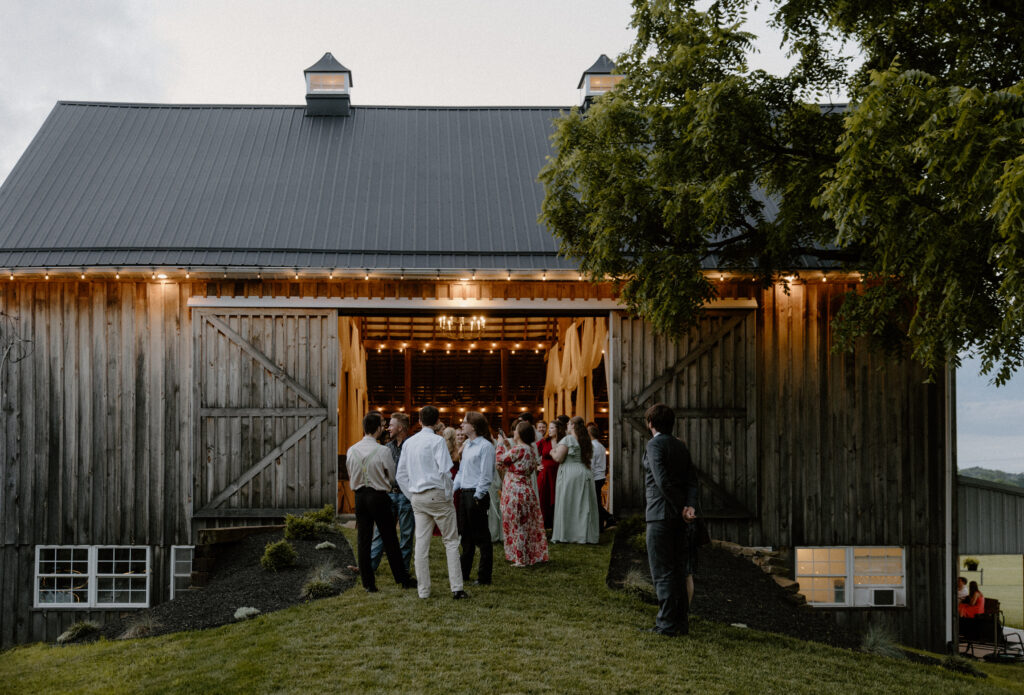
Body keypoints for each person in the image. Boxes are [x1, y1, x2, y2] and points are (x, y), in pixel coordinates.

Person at [396, 406, 467, 600]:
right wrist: (447, 494)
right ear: (436, 422)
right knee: (451, 541)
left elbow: (400, 475)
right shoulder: (437, 441)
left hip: (417, 496)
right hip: (437, 494)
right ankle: (457, 588)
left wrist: (411, 495)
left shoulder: (409, 443)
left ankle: (424, 591)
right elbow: (445, 471)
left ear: (419, 420)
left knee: (421, 543)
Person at [643, 403, 699, 636]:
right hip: (679, 517)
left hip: (660, 514)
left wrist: (680, 506)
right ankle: (680, 623)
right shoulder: (680, 446)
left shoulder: (655, 445)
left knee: (662, 571)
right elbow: (692, 481)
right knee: (677, 570)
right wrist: (689, 506)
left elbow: (662, 480)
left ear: (650, 423)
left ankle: (666, 624)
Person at [345, 412, 417, 592]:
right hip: (379, 496)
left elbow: (350, 473)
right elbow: (393, 477)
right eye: (383, 424)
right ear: (377, 428)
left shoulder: (351, 450)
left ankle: (368, 584)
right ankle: (402, 579)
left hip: (360, 496)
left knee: (363, 539)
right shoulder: (383, 450)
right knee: (390, 538)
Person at [495, 421, 549, 566]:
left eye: (516, 430)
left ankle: (520, 558)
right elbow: (513, 461)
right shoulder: (530, 449)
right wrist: (507, 445)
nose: (514, 432)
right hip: (525, 488)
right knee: (524, 524)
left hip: (515, 490)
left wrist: (500, 444)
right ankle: (526, 555)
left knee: (516, 524)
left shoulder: (519, 449)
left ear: (520, 433)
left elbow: (501, 459)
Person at [369, 413, 414, 576]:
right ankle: (370, 567)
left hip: (406, 496)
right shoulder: (387, 447)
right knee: (380, 531)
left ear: (400, 427)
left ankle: (403, 570)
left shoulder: (412, 446)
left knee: (406, 534)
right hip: (389, 494)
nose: (388, 428)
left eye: (392, 425)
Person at [453, 411, 496, 585]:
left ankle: (484, 576)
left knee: (482, 538)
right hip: (464, 493)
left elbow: (486, 475)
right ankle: (464, 573)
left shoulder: (485, 447)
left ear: (474, 426)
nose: (462, 424)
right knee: (466, 537)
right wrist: (453, 489)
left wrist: (477, 496)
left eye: (465, 422)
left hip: (476, 495)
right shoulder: (468, 445)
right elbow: (462, 472)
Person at [550, 416, 600, 544]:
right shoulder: (586, 440)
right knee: (582, 505)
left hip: (570, 473)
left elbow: (559, 458)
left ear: (572, 425)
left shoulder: (568, 439)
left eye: (568, 424)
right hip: (584, 472)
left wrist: (552, 452)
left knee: (569, 503)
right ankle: (582, 534)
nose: (566, 426)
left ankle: (569, 534)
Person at [587, 422, 614, 531]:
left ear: (590, 434)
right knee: (596, 501)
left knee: (595, 503)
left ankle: (609, 517)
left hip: (595, 477)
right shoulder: (601, 446)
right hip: (600, 476)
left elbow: (591, 465)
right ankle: (600, 526)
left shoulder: (593, 447)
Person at [536, 418, 563, 529]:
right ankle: (542, 525)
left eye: (552, 428)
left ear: (558, 429)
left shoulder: (563, 442)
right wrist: (535, 466)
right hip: (545, 475)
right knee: (543, 499)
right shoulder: (544, 441)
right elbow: (530, 453)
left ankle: (555, 524)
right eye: (550, 428)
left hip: (558, 474)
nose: (549, 430)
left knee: (557, 499)